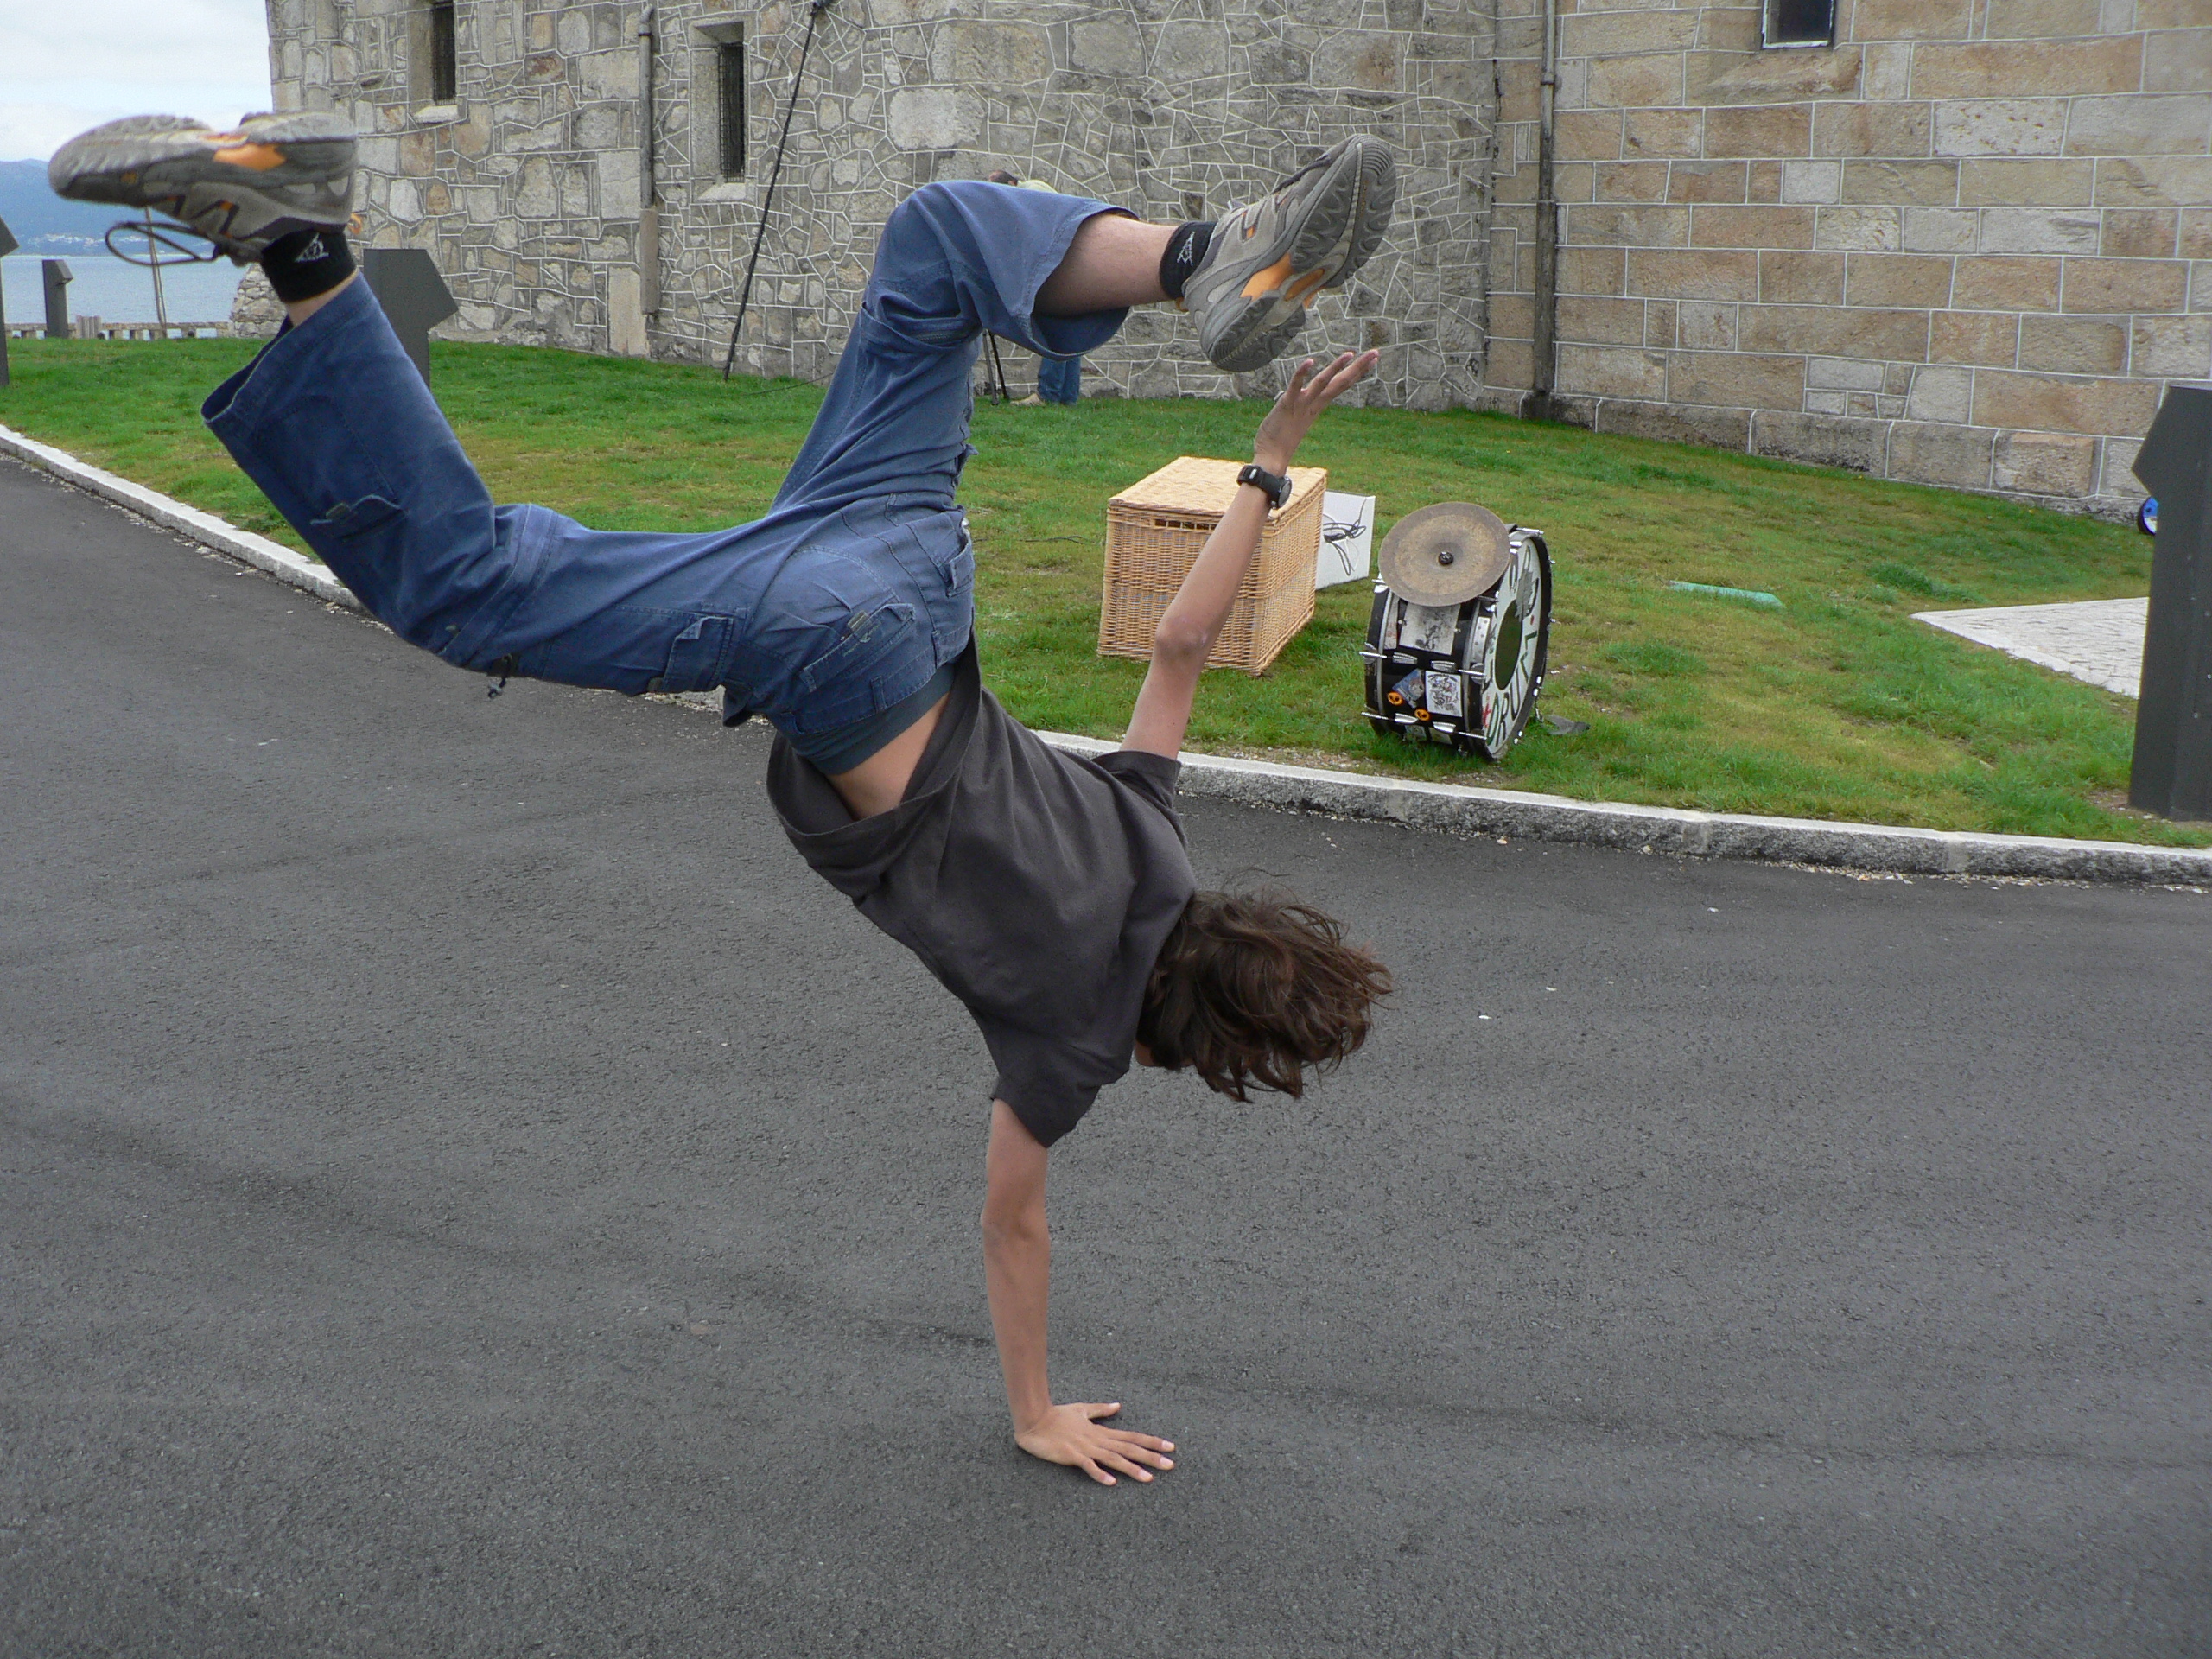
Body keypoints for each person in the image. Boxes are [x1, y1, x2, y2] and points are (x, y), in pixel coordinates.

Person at [52, 113, 1398, 1487]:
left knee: (935, 240)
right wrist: (1036, 1409)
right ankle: (302, 242)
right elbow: (1015, 1228)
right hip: (833, 647)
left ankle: (1199, 255)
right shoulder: (1073, 1046)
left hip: (911, 555)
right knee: (470, 589)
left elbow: (1180, 645)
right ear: (1192, 1047)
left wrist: (1268, 460)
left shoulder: (1154, 840)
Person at [988, 168, 1083, 405]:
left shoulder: (1031, 193)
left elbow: (1040, 234)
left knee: (1053, 327)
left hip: (1057, 266)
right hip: (1069, 263)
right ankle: (1067, 397)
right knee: (1068, 331)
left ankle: (1047, 393)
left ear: (1012, 183)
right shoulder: (1034, 190)